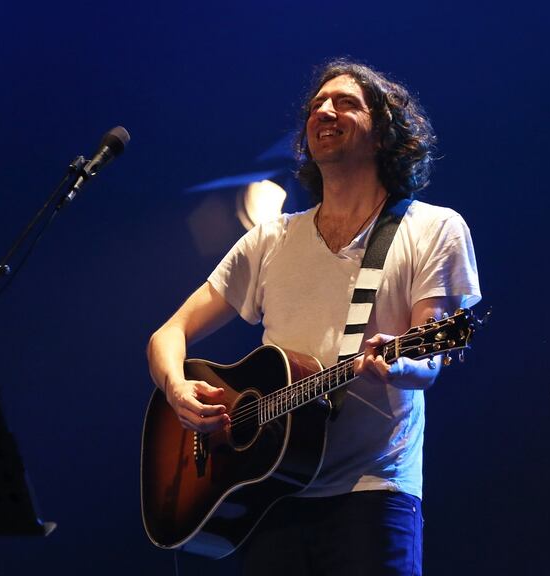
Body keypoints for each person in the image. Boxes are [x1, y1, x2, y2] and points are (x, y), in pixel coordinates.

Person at [146, 58, 481, 576]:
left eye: (345, 102)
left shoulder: (434, 228)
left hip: (372, 494)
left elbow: (429, 363)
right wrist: (177, 390)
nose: (324, 109)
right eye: (316, 105)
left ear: (384, 131)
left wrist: (397, 364)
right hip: (272, 498)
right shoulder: (271, 239)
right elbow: (168, 334)